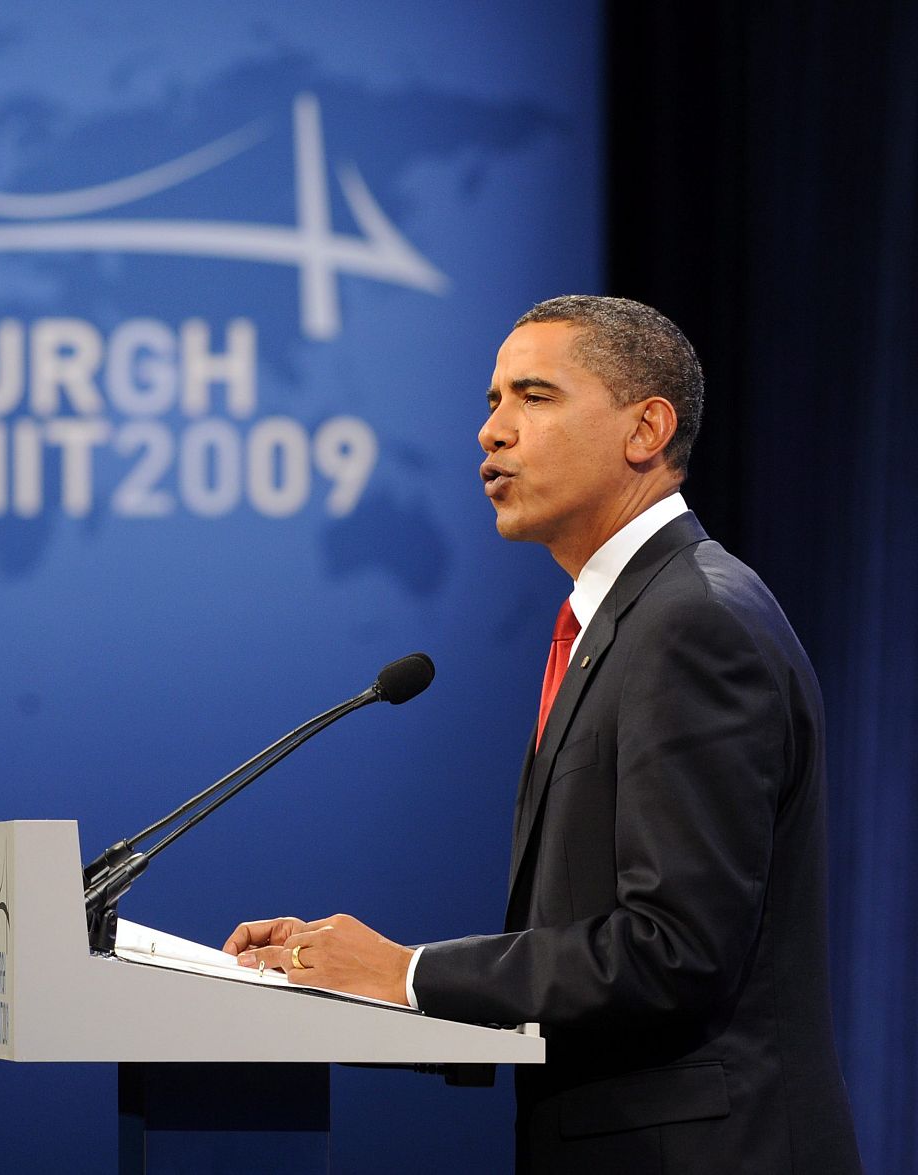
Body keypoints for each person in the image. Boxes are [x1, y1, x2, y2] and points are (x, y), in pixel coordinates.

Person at [226, 297, 861, 1173]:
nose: (492, 431)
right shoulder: (625, 622)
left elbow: (674, 951)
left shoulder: (691, 623)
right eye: (493, 401)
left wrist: (405, 971)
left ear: (646, 429)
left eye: (534, 396)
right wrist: (360, 976)